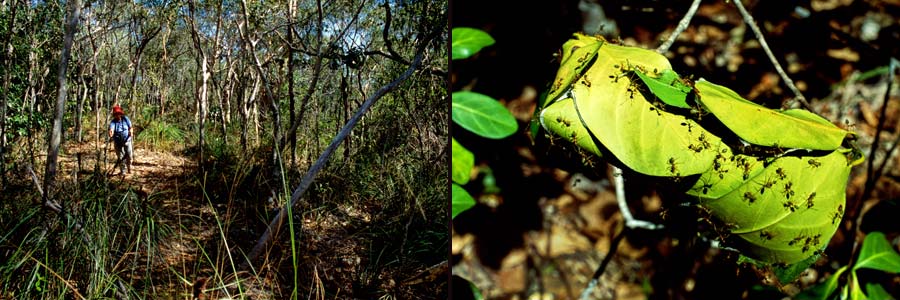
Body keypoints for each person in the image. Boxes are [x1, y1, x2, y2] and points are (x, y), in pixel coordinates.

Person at [108, 105, 134, 175]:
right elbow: (111, 129)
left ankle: (129, 167)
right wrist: (111, 133)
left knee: (129, 155)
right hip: (118, 142)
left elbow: (130, 127)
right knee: (121, 157)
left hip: (127, 140)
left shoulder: (126, 119)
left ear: (120, 113)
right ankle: (123, 171)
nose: (117, 115)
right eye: (116, 114)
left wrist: (131, 132)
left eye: (118, 113)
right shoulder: (113, 122)